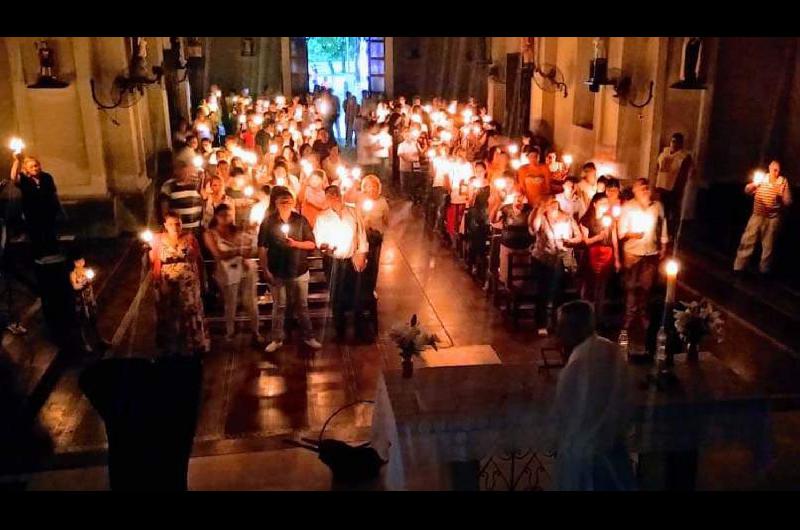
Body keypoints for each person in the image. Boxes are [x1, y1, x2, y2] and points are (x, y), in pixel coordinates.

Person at [551, 300, 636, 491]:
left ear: (577, 328)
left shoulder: (577, 364)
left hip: (584, 461)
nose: (558, 333)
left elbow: (562, 414)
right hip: (614, 455)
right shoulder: (611, 350)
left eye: (562, 326)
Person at [258, 189, 322, 353]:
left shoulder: (301, 220)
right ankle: (277, 338)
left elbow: (311, 244)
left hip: (299, 270)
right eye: (282, 201)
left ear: (293, 203)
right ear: (276, 204)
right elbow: (262, 248)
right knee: (279, 306)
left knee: (302, 305)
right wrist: (265, 270)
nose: (285, 204)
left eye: (288, 201)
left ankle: (308, 336)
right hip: (278, 271)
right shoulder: (268, 223)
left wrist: (295, 244)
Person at [148, 212, 210, 357]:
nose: (175, 227)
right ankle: (172, 346)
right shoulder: (157, 240)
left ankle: (194, 344)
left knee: (190, 312)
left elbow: (198, 260)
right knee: (170, 313)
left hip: (188, 284)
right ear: (165, 226)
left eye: (177, 223)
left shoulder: (189, 238)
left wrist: (203, 279)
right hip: (167, 283)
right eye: (171, 224)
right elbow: (153, 262)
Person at [313, 185, 369, 339]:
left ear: (340, 195)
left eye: (335, 194)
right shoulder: (322, 217)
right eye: (330, 196)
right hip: (333, 261)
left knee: (355, 294)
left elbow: (361, 235)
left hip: (351, 260)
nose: (333, 198)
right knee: (336, 295)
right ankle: (340, 330)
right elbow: (318, 239)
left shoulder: (353, 212)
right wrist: (325, 247)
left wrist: (361, 254)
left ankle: (359, 330)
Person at [203, 204, 261, 345]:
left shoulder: (238, 231)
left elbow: (250, 250)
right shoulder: (210, 234)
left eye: (229, 215)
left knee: (251, 302)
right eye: (223, 215)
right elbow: (218, 254)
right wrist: (237, 252)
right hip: (226, 271)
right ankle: (230, 333)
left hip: (245, 269)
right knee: (230, 303)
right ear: (216, 217)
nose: (226, 219)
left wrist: (250, 236)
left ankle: (256, 331)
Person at [617, 178, 669, 333]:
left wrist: (664, 246)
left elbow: (663, 226)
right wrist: (633, 234)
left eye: (647, 188)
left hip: (651, 252)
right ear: (635, 191)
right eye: (642, 188)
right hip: (633, 252)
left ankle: (642, 313)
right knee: (631, 286)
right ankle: (629, 316)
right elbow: (621, 233)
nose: (645, 191)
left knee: (646, 287)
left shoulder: (657, 206)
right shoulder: (628, 207)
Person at [530, 198, 582, 337]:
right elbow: (534, 229)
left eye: (555, 205)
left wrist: (569, 241)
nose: (553, 208)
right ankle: (541, 323)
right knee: (543, 291)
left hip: (560, 259)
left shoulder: (566, 218)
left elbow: (579, 237)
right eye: (550, 205)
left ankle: (557, 322)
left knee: (558, 291)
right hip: (543, 258)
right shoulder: (541, 217)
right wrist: (540, 212)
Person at [733, 160, 792, 276]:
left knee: (768, 244)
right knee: (748, 240)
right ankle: (739, 266)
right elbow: (747, 190)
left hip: (772, 218)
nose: (776, 172)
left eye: (778, 170)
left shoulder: (782, 182)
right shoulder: (762, 179)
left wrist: (784, 198)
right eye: (774, 169)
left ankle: (764, 270)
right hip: (758, 215)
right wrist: (754, 185)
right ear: (770, 168)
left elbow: (788, 200)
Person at [9, 155, 63, 258]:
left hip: (48, 211)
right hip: (32, 213)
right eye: (31, 167)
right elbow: (13, 178)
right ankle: (39, 259)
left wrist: (60, 209)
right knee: (36, 236)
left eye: (36, 165)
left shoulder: (47, 177)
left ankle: (53, 258)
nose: (35, 168)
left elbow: (53, 193)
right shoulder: (23, 179)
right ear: (26, 169)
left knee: (50, 234)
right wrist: (16, 161)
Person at [579, 193, 619, 325]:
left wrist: (617, 258)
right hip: (590, 256)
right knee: (589, 287)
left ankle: (598, 318)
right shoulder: (586, 220)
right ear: (594, 204)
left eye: (606, 203)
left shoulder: (610, 219)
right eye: (602, 203)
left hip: (607, 255)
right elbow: (586, 241)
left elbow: (614, 239)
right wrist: (599, 237)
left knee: (601, 288)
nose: (605, 206)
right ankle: (586, 317)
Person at [358, 175, 389, 320]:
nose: (372, 189)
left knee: (374, 264)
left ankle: (371, 288)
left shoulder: (382, 202)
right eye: (369, 186)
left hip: (376, 237)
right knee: (365, 263)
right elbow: (357, 221)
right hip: (364, 237)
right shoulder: (360, 202)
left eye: (374, 186)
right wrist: (365, 220)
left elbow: (386, 219)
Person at [69, 253, 110, 354]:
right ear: (73, 263)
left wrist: (90, 280)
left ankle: (99, 340)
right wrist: (83, 283)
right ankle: (85, 344)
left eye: (81, 260)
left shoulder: (86, 270)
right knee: (81, 324)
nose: (80, 262)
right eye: (77, 261)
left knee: (93, 321)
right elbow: (75, 286)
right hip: (80, 303)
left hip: (89, 300)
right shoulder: (72, 274)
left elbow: (92, 279)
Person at [655, 133, 693, 235]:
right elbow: (659, 168)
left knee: (672, 212)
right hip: (662, 187)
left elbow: (685, 174)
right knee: (662, 210)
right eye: (673, 141)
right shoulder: (664, 153)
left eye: (677, 142)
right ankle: (661, 231)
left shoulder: (683, 156)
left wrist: (678, 188)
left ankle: (671, 233)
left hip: (673, 189)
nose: (674, 144)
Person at [493, 191, 533, 288]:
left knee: (522, 277)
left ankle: (520, 291)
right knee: (507, 276)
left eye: (521, 197)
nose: (518, 199)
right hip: (508, 245)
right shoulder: (506, 209)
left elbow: (533, 226)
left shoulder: (529, 210)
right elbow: (494, 220)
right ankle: (507, 288)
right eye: (516, 197)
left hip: (524, 247)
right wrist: (498, 204)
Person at [160, 160, 203, 233]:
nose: (182, 173)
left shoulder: (197, 181)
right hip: (179, 229)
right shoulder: (168, 186)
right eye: (178, 169)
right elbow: (164, 209)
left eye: (184, 170)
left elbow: (203, 199)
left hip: (196, 228)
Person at [397, 128, 420, 199]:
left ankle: (414, 196)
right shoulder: (401, 145)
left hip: (415, 167)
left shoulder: (415, 144)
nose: (408, 137)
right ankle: (406, 197)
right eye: (406, 135)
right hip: (405, 168)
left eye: (409, 135)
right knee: (405, 183)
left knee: (414, 182)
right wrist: (410, 160)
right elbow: (401, 155)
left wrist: (418, 146)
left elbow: (420, 153)